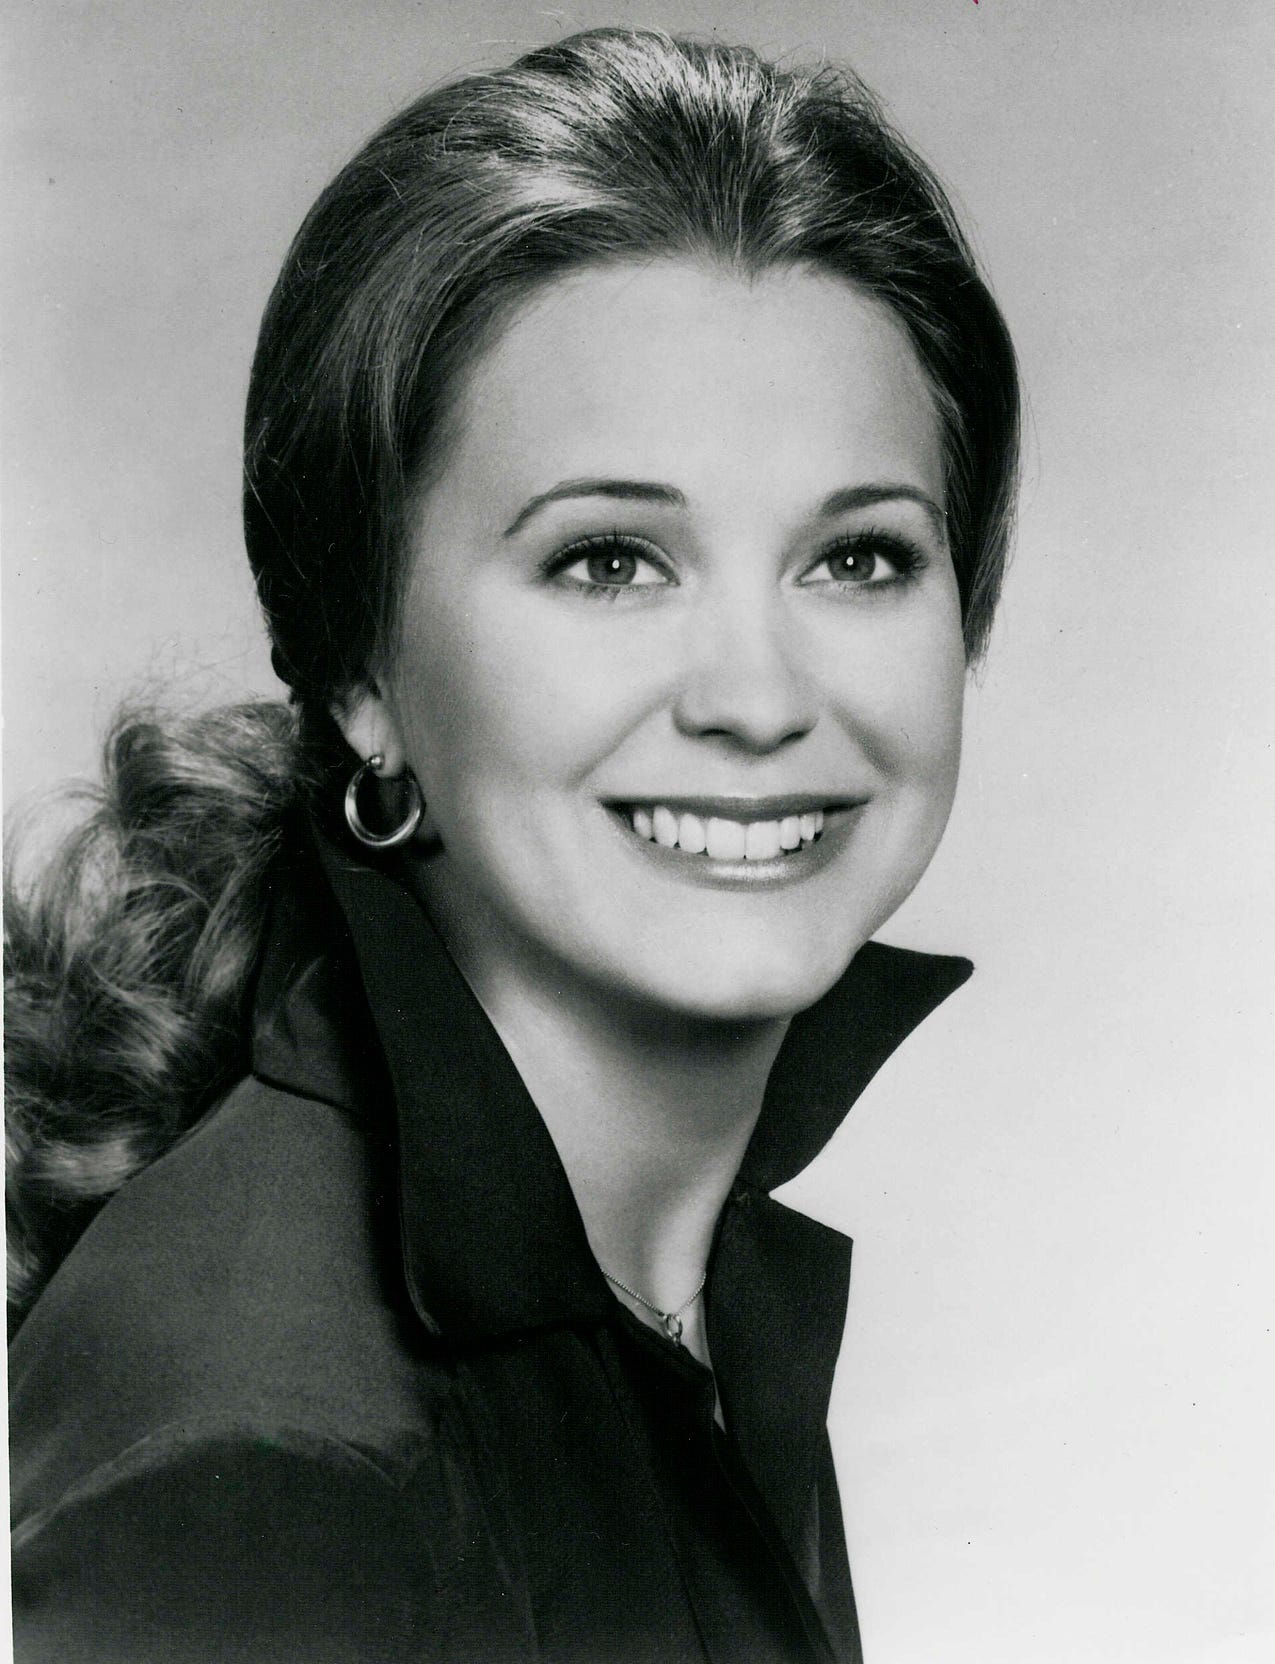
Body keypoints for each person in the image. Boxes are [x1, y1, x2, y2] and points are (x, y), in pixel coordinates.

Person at [6, 27, 1018, 1663]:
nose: (760, 699)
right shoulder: (268, 1462)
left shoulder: (664, 1277)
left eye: (859, 559)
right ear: (362, 671)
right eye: (610, 560)